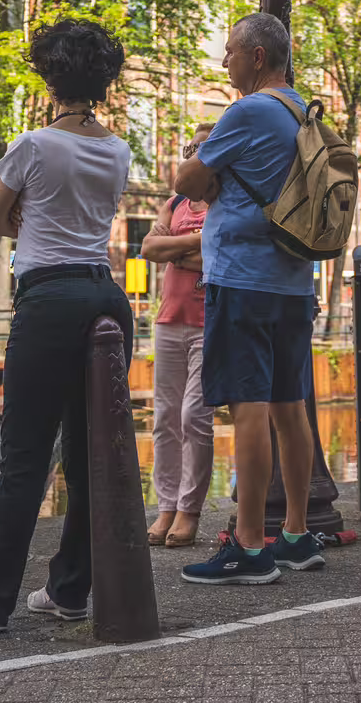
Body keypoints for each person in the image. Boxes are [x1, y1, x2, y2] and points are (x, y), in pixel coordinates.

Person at [0, 19, 135, 632]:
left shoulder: (34, 145)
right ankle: (69, 590)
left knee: (24, 457)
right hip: (105, 293)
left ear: (48, 77)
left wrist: (27, 218)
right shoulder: (118, 149)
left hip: (49, 299)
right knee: (93, 452)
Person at [175, 12, 324, 585]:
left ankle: (248, 545)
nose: (224, 62)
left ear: (257, 57)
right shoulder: (299, 110)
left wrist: (205, 164)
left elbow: (187, 182)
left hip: (242, 280)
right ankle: (294, 534)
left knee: (249, 409)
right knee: (291, 408)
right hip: (292, 284)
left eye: (231, 52)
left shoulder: (248, 110)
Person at [139, 122, 216, 548]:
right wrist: (195, 249)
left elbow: (220, 252)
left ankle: (189, 510)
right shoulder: (175, 202)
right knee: (165, 419)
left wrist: (180, 250)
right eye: (192, 147)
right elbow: (150, 250)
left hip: (209, 322)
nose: (196, 154)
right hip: (169, 320)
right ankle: (165, 506)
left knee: (195, 417)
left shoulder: (225, 202)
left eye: (205, 147)